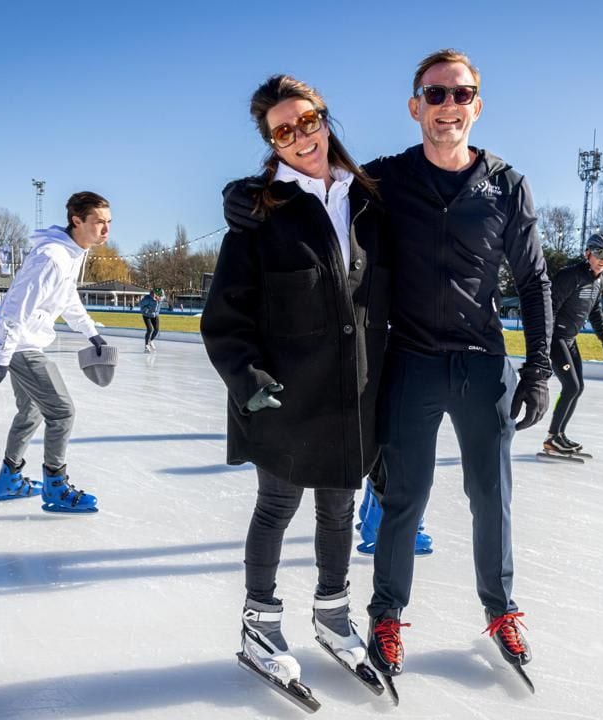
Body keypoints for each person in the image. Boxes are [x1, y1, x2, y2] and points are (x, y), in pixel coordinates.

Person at [225, 49, 553, 681]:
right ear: (415, 106)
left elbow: (535, 280)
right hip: (410, 362)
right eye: (435, 95)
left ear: (477, 105)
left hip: (483, 362)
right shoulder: (385, 182)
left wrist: (540, 367)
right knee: (404, 499)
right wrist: (244, 193)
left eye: (460, 95)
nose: (448, 106)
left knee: (492, 496)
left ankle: (501, 608)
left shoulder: (507, 184)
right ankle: (385, 616)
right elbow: (314, 187)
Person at [202, 74, 390, 695]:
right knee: (278, 506)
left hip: (349, 390)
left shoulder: (364, 197)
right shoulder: (260, 211)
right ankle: (260, 623)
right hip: (281, 392)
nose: (300, 137)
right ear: (272, 143)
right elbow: (224, 315)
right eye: (283, 131)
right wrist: (248, 380)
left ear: (325, 119)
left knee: (338, 506)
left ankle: (333, 613)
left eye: (307, 122)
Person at [0, 191, 111, 513]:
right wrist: (1, 359)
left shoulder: (72, 253)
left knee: (31, 412)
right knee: (62, 411)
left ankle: (8, 481)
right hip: (21, 342)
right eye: (99, 222)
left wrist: (91, 333)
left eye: (109, 222)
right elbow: (16, 307)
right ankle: (56, 486)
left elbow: (67, 298)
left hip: (22, 339)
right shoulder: (52, 257)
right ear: (77, 220)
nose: (106, 230)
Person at [542, 233, 603, 455]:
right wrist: (544, 345)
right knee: (572, 386)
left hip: (570, 340)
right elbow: (550, 308)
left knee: (578, 387)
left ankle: (558, 435)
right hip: (556, 338)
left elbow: (595, 312)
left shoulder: (599, 280)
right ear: (588, 254)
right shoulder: (570, 276)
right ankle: (551, 438)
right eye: (600, 253)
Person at [137, 287, 164, 352]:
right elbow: (141, 305)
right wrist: (147, 311)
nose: (161, 297)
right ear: (154, 294)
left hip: (155, 315)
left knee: (156, 329)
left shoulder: (160, 298)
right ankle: (146, 345)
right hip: (147, 315)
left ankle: (151, 341)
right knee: (149, 329)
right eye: (159, 296)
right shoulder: (147, 298)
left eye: (161, 296)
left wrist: (156, 313)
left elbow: (163, 297)